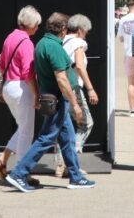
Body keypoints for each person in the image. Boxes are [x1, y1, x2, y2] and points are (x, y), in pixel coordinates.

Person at [5, 12, 95, 192]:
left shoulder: (42, 44)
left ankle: (76, 177)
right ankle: (19, 173)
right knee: (46, 138)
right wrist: (75, 105)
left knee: (67, 138)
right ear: (62, 29)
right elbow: (62, 79)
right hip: (58, 100)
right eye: (65, 28)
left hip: (51, 99)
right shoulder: (53, 47)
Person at [0, 6, 40, 185]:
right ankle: (21, 172)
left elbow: (0, 62)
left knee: (22, 127)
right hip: (21, 88)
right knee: (27, 131)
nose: (37, 28)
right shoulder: (26, 42)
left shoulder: (10, 37)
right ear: (31, 24)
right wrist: (36, 95)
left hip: (9, 87)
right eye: (37, 24)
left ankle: (2, 161)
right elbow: (28, 72)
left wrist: (4, 85)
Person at [53, 13, 98, 178]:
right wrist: (91, 88)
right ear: (80, 30)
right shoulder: (79, 43)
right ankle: (71, 162)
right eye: (86, 31)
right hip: (74, 88)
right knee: (85, 124)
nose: (86, 35)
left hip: (60, 87)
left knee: (61, 126)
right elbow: (79, 66)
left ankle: (59, 164)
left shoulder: (61, 42)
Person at [117, 0, 134, 117]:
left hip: (129, 53)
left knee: (131, 82)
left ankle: (132, 109)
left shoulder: (123, 19)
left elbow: (120, 38)